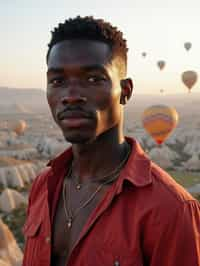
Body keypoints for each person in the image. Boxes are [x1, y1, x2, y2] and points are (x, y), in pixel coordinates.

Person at [22, 16, 200, 266]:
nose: (71, 96)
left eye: (94, 79)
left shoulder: (171, 209)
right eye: (57, 81)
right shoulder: (43, 185)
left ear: (125, 91)